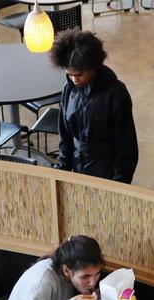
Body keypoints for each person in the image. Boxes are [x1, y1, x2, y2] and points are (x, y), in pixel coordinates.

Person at [49, 30, 139, 184]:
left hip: (107, 172)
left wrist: (118, 185)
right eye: (69, 74)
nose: (74, 79)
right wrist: (61, 174)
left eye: (78, 75)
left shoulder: (116, 93)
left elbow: (126, 148)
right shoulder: (68, 89)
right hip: (78, 168)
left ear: (93, 67)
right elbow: (65, 137)